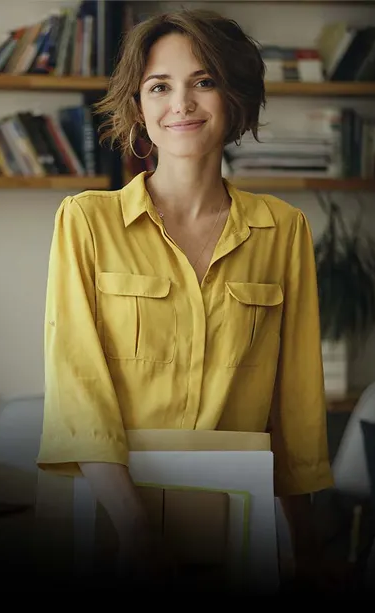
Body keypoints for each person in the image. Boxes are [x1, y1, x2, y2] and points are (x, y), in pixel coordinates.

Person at [36, 8, 342, 590]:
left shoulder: (284, 229)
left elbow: (295, 403)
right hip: (106, 514)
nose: (181, 103)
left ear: (235, 97)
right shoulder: (86, 221)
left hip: (238, 516)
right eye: (159, 86)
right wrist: (137, 532)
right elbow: (78, 388)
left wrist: (305, 546)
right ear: (138, 106)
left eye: (204, 81)